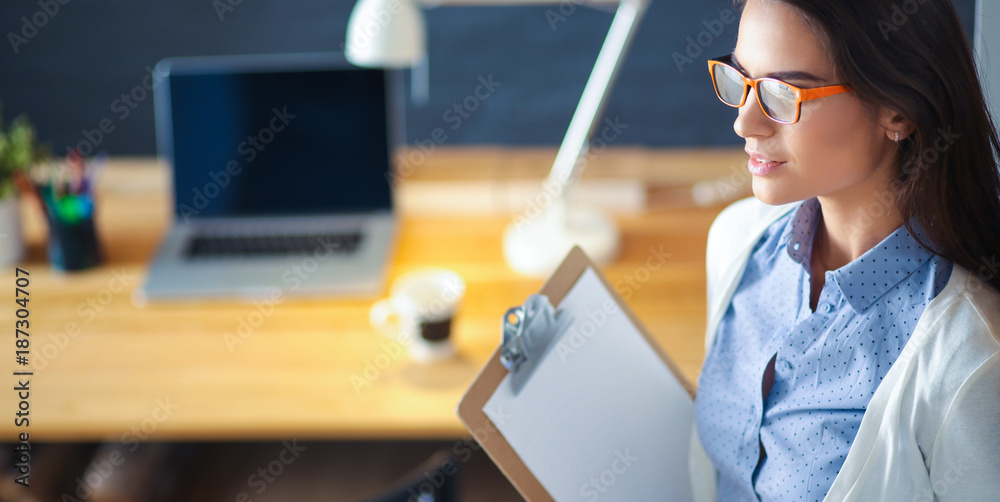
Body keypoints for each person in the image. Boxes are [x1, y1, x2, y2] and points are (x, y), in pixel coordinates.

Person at [688, 0, 1000, 500]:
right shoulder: (737, 243)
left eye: (781, 94)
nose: (745, 124)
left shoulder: (969, 357)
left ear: (896, 109)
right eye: (740, 81)